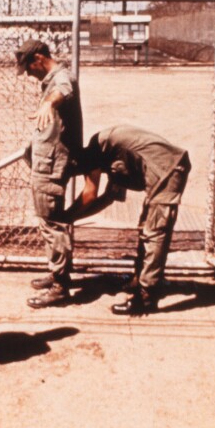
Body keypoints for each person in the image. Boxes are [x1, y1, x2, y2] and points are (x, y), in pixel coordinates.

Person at [61, 125, 191, 315]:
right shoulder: (110, 153)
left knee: (155, 231)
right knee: (146, 227)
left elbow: (90, 194)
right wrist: (73, 217)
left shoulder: (100, 149)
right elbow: (107, 198)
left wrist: (66, 216)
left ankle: (146, 296)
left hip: (168, 167)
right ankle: (140, 280)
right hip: (160, 167)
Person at [15, 39, 83, 309]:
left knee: (51, 223)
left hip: (52, 165)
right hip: (47, 161)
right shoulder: (52, 79)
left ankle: (60, 285)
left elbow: (63, 92)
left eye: (29, 68)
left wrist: (49, 104)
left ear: (39, 58)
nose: (29, 74)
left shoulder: (61, 79)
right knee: (51, 221)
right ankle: (59, 273)